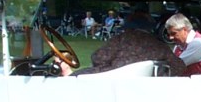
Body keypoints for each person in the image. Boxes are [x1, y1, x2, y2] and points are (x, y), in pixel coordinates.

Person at [56, 29, 187, 77]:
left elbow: (98, 58)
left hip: (111, 79)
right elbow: (179, 67)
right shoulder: (159, 46)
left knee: (77, 76)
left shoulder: (123, 37)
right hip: (143, 87)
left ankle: (67, 74)